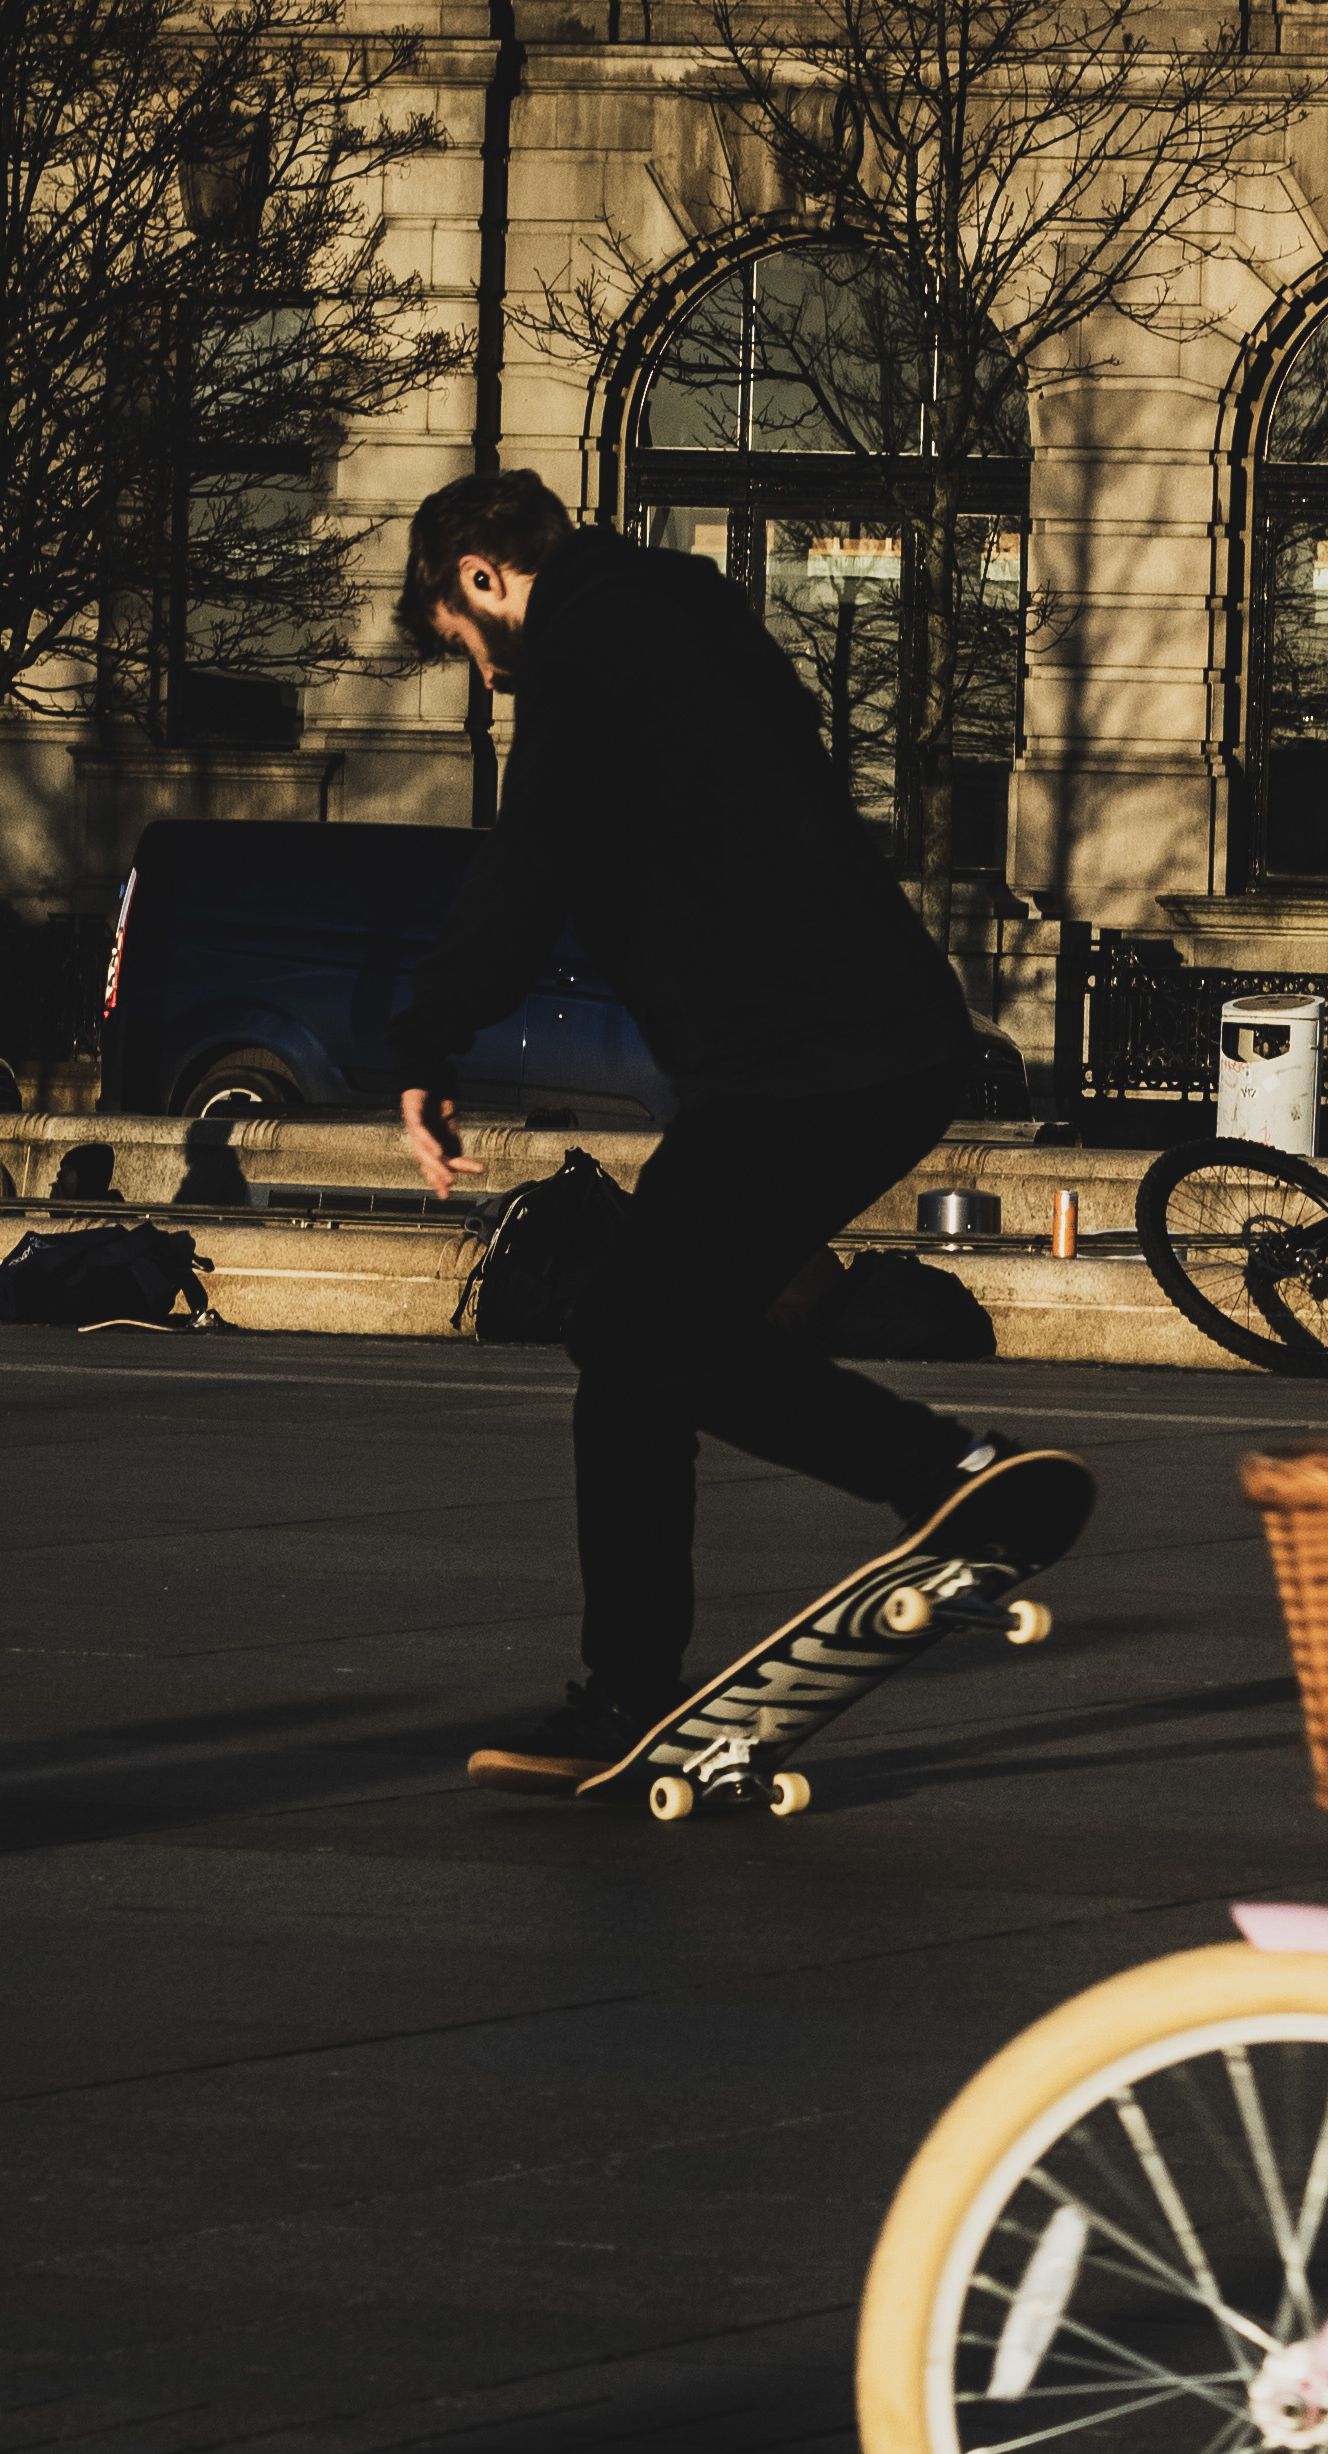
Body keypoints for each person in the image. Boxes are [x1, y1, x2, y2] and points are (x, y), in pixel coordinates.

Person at [379, 467, 1091, 1792]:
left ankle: (948, 1472)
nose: (488, 677)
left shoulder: (586, 645)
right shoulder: (690, 618)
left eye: (468, 645)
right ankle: (628, 1689)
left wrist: (426, 1044)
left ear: (483, 577)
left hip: (804, 1064)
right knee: (635, 1341)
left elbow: (526, 859)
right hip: (874, 1047)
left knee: (630, 1325)